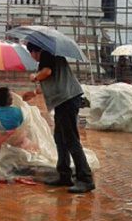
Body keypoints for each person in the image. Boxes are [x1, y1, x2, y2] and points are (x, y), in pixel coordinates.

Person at [26, 42, 95, 194]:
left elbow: (47, 73)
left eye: (31, 54)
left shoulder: (46, 54)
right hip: (65, 99)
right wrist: (33, 93)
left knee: (71, 139)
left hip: (67, 100)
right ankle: (64, 174)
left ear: (34, 52)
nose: (33, 58)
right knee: (60, 137)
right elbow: (51, 79)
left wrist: (34, 77)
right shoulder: (51, 56)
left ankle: (86, 179)